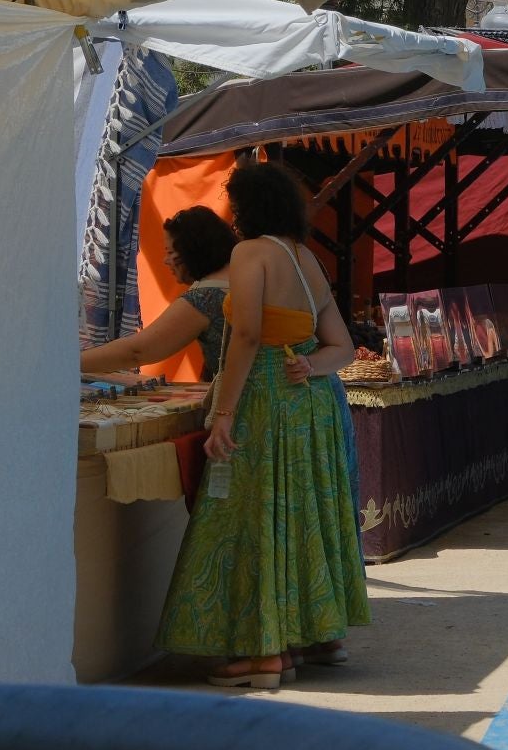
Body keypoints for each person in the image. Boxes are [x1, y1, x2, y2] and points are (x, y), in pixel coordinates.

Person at [157, 161, 371, 689]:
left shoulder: (250, 253)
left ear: (245, 208)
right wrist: (309, 364)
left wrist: (223, 412)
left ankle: (262, 655)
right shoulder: (306, 260)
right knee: (303, 515)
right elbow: (340, 346)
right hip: (309, 406)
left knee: (253, 518)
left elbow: (248, 336)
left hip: (264, 402)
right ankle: (319, 635)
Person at [80, 207, 237, 378]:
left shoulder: (206, 297)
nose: (165, 260)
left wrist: (69, 363)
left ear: (192, 250)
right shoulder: (242, 275)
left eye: (170, 252)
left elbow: (136, 352)